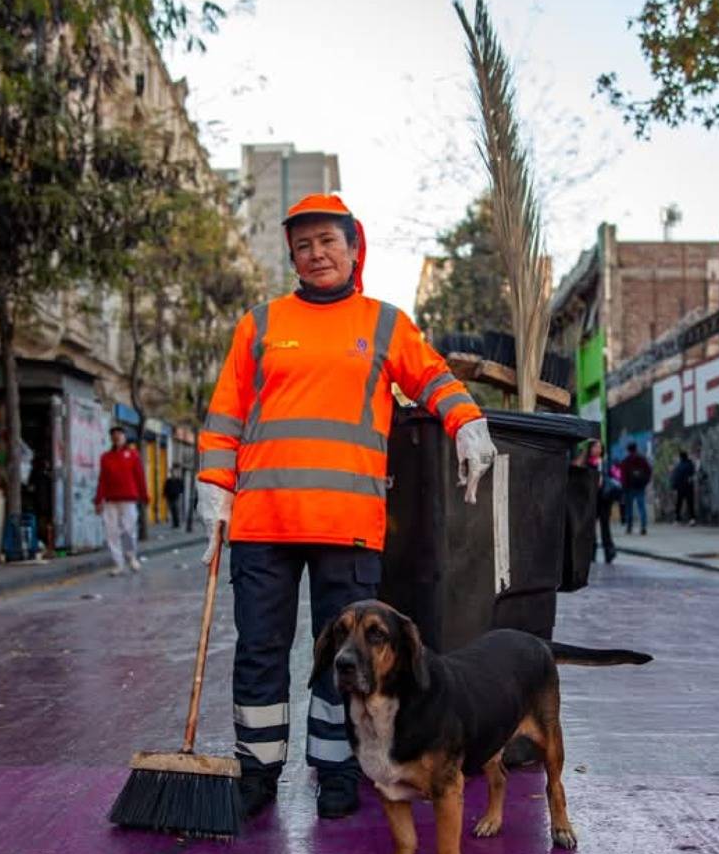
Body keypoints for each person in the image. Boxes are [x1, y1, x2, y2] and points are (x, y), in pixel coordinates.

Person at [196, 193, 497, 821]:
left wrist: (466, 420)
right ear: (293, 258)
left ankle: (337, 769)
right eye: (303, 245)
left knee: (346, 659)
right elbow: (225, 413)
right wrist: (214, 487)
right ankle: (258, 770)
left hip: (348, 526)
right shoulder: (260, 324)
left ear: (354, 247)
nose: (316, 253)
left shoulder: (384, 323)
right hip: (264, 520)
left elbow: (431, 377)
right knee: (260, 647)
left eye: (328, 241)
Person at [95, 426, 149, 575]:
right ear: (111, 438)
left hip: (129, 499)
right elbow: (102, 480)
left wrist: (144, 496)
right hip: (110, 500)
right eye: (114, 435)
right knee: (111, 532)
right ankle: (118, 563)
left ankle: (131, 557)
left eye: (119, 434)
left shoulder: (133, 455)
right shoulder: (105, 457)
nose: (117, 437)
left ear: (124, 437)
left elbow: (140, 477)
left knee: (129, 530)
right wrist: (98, 500)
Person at [582, 440, 618, 564]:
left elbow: (614, 477)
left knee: (605, 526)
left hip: (604, 498)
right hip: (591, 499)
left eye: (599, 447)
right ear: (590, 449)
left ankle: (609, 552)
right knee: (591, 527)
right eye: (595, 447)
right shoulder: (586, 464)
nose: (597, 449)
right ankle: (591, 553)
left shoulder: (605, 463)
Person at [619, 442, 651, 535]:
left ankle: (629, 527)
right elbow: (649, 471)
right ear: (636, 448)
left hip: (629, 487)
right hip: (640, 486)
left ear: (628, 450)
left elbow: (623, 476)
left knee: (629, 508)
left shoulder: (625, 461)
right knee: (642, 507)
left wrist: (624, 487)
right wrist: (645, 482)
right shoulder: (642, 459)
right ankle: (643, 527)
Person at [672, 450, 696, 525]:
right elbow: (692, 474)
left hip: (681, 487)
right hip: (689, 486)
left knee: (679, 503)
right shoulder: (691, 464)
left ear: (681, 457)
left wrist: (674, 486)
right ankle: (692, 519)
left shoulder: (679, 466)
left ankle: (677, 519)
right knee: (690, 503)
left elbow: (676, 477)